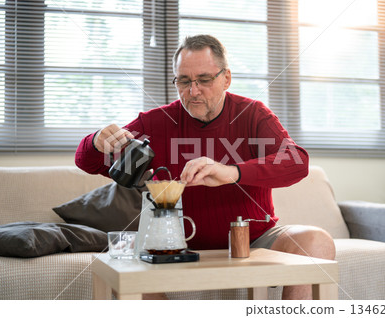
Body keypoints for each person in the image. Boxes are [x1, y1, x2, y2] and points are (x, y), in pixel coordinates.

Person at [75, 34, 335, 300]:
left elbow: (297, 162)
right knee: (124, 270)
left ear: (226, 78)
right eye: (184, 81)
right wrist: (96, 141)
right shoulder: (156, 122)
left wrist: (231, 172)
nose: (193, 91)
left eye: (204, 79)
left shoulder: (254, 114)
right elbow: (87, 161)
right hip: (173, 246)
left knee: (317, 241)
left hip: (255, 239)